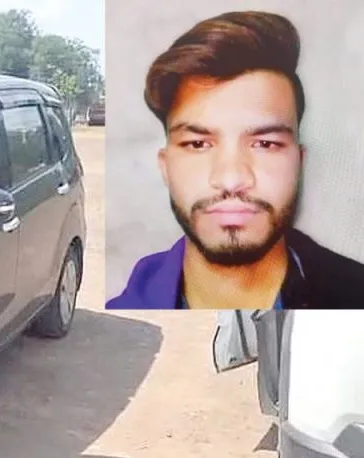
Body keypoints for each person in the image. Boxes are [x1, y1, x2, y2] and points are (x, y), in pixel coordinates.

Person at [107, 10, 364, 310]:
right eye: (198, 144)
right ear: (165, 167)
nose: (231, 179)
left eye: (265, 144)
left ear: (299, 163)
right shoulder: (125, 319)